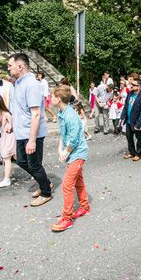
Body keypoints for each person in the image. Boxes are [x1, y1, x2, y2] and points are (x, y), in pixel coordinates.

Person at [8, 53, 52, 207]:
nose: (8, 68)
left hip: (32, 133)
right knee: (21, 161)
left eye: (10, 65)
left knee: (34, 164)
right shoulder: (18, 83)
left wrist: (32, 140)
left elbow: (36, 113)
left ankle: (46, 192)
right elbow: (20, 109)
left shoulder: (31, 84)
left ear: (20, 66)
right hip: (21, 133)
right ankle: (45, 182)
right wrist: (12, 124)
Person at [50, 85, 90, 232]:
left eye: (53, 96)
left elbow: (73, 140)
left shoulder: (70, 115)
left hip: (77, 153)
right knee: (78, 182)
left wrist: (65, 153)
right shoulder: (62, 112)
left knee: (67, 186)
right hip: (72, 153)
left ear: (59, 99)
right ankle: (85, 206)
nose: (50, 99)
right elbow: (64, 134)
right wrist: (60, 149)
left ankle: (67, 219)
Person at [120, 77, 141, 161]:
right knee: (129, 137)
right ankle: (132, 152)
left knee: (139, 138)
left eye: (133, 85)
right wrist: (122, 117)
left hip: (137, 122)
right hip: (128, 121)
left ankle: (138, 154)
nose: (131, 86)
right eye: (131, 84)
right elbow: (126, 106)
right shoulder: (130, 93)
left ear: (139, 86)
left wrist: (138, 124)